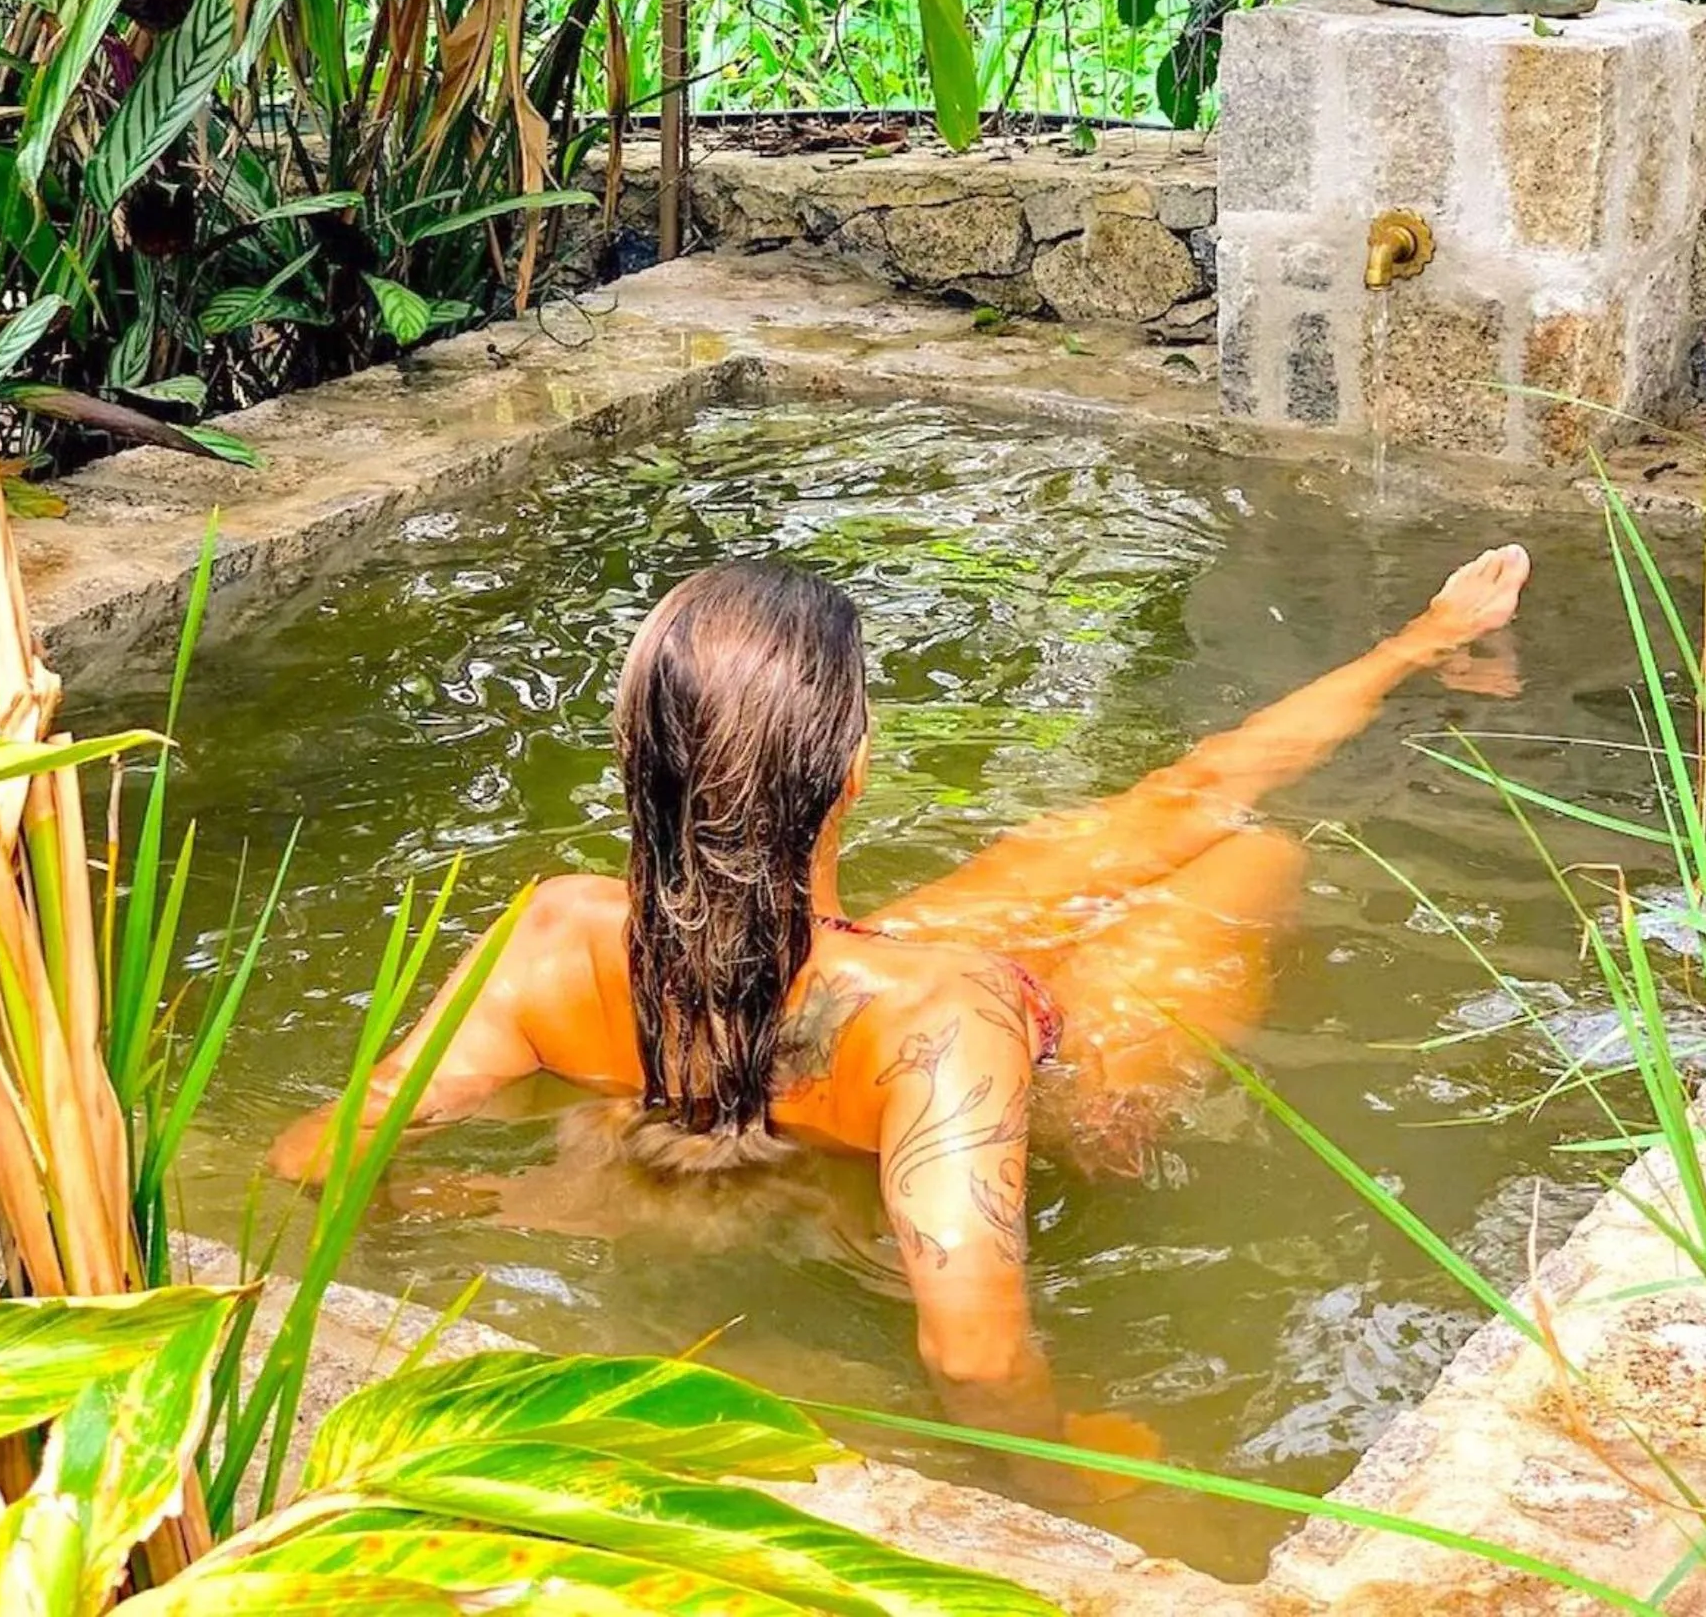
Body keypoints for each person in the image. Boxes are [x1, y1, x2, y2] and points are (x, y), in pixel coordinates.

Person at [271, 542, 1531, 1449]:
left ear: (635, 756)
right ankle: (1418, 646)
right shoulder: (948, 1016)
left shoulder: (553, 933)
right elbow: (973, 1356)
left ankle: (1417, 642)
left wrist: (533, 1196)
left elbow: (318, 1156)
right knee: (1249, 850)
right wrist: (1077, 1473)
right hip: (994, 1059)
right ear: (855, 769)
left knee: (1163, 823)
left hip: (832, 987)